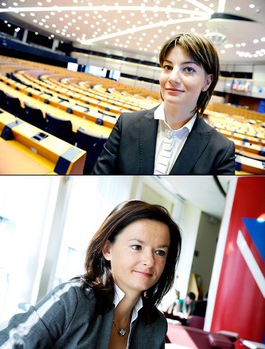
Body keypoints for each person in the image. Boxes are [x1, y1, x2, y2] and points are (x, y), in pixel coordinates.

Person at [0, 200, 182, 349]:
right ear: (108, 249)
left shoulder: (156, 325)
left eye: (160, 252)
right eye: (136, 247)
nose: (149, 261)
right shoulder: (72, 299)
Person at [92, 33, 235, 175]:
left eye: (188, 69)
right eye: (168, 67)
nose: (173, 78)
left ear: (207, 82)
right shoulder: (126, 124)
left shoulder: (221, 151)